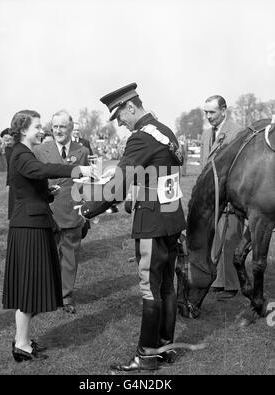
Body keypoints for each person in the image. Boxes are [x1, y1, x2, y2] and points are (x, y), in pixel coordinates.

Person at [78, 83, 186, 372]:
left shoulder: (140, 138)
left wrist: (89, 209)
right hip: (172, 218)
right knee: (166, 286)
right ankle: (166, 348)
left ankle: (146, 355)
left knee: (150, 289)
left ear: (130, 107)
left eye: (119, 116)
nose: (120, 124)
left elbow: (118, 184)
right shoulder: (165, 130)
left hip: (152, 223)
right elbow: (163, 175)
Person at [2, 110, 92, 361]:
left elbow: (30, 185)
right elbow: (41, 170)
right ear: (23, 131)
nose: (42, 131)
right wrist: (76, 170)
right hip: (29, 228)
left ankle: (24, 340)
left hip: (34, 223)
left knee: (30, 287)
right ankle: (21, 344)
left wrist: (47, 193)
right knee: (27, 288)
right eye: (37, 127)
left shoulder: (24, 153)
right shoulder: (22, 153)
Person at [34, 110, 90, 314]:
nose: (58, 130)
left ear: (71, 127)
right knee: (46, 257)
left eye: (63, 126)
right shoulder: (40, 150)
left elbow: (85, 184)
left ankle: (66, 297)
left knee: (69, 258)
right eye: (55, 126)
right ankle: (45, 294)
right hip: (48, 211)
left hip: (72, 212)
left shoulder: (82, 151)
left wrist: (87, 211)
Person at [201, 95, 244, 300]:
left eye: (212, 112)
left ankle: (232, 284)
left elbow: (241, 169)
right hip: (211, 198)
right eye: (206, 112)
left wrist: (232, 197)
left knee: (230, 239)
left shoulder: (238, 132)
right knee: (215, 239)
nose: (208, 116)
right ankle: (218, 281)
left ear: (224, 110)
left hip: (231, 198)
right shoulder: (205, 134)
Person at [0, 128, 14, 218]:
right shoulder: (8, 150)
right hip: (13, 178)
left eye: (8, 139)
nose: (7, 142)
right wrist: (8, 183)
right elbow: (10, 167)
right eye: (5, 140)